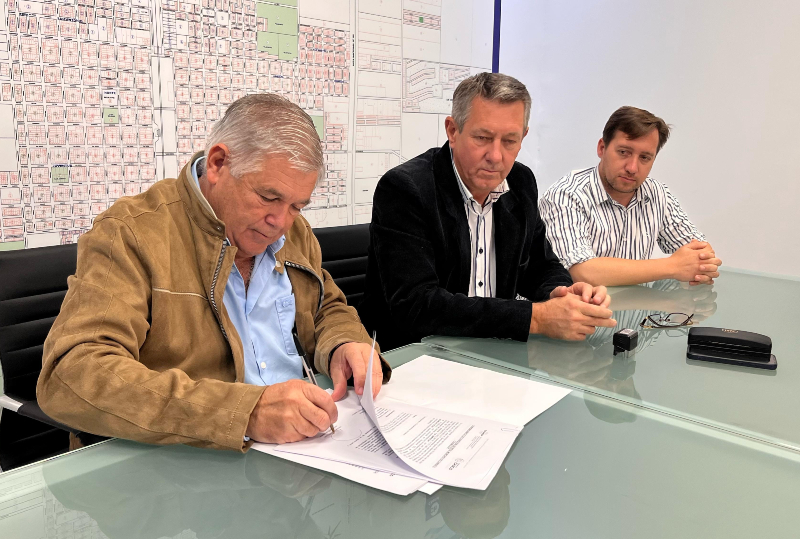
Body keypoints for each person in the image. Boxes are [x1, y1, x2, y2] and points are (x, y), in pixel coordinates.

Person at [37, 94, 389, 452]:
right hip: (191, 456)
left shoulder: (294, 232)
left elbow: (325, 307)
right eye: (268, 198)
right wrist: (245, 413)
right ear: (218, 163)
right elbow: (74, 373)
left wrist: (344, 343)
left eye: (297, 206)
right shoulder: (132, 233)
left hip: (303, 447)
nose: (280, 222)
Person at [359, 72, 616, 351]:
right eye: (482, 137)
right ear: (453, 131)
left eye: (510, 141)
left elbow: (539, 265)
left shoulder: (521, 182)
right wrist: (535, 318)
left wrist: (561, 291)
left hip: (495, 353)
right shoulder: (406, 188)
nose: (495, 156)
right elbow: (416, 305)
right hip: (416, 356)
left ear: (523, 136)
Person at [539, 106, 722, 287]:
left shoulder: (657, 194)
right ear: (602, 148)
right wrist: (673, 266)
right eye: (623, 152)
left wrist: (698, 266)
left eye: (645, 157)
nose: (632, 168)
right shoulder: (566, 195)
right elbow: (582, 272)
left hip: (637, 305)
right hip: (579, 306)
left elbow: (702, 255)